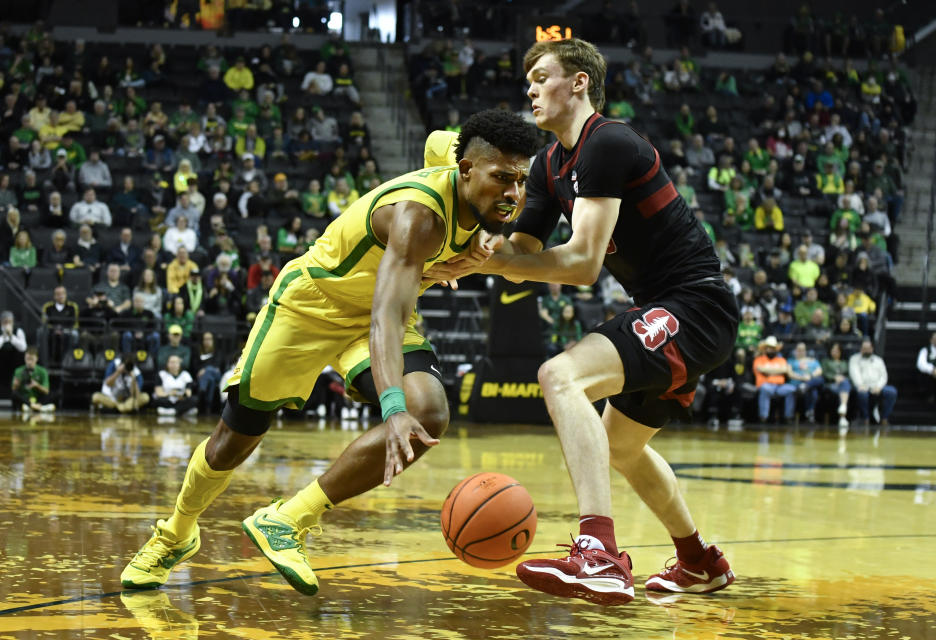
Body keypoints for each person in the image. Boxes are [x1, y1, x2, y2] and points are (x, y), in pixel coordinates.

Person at [120, 109, 541, 595]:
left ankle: (287, 519)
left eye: (520, 180)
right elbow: (386, 315)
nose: (513, 192)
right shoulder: (420, 217)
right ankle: (174, 533)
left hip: (372, 318)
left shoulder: (464, 156)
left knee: (429, 413)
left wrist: (479, 245)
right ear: (466, 171)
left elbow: (437, 140)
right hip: (313, 305)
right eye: (502, 179)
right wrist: (392, 408)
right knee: (235, 438)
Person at [426, 39, 738, 604]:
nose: (530, 88)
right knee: (620, 448)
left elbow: (583, 263)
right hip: (666, 311)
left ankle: (597, 552)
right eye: (528, 79)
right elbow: (521, 255)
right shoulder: (547, 166)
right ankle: (699, 562)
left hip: (694, 305)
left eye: (541, 76)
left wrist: (499, 261)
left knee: (559, 376)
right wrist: (477, 254)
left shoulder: (609, 142)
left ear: (578, 83)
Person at [848, 339, 896, 426]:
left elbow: (884, 376)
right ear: (861, 349)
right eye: (864, 348)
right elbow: (854, 373)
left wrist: (879, 386)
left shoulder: (878, 360)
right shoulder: (854, 359)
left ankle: (884, 418)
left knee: (892, 392)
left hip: (877, 386)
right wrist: (860, 385)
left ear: (872, 349)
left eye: (868, 348)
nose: (866, 350)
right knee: (862, 394)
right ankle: (866, 418)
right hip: (861, 385)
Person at [753, 336, 796, 423]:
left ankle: (788, 417)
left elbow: (785, 370)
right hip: (765, 385)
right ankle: (763, 417)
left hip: (780, 386)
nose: (771, 350)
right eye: (769, 348)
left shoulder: (781, 359)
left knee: (792, 389)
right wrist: (778, 371)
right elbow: (760, 369)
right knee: (766, 389)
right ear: (765, 349)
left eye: (773, 348)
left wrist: (769, 372)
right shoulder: (759, 359)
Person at [12, 347, 57, 413]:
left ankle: (30, 407)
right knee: (14, 394)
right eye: (27, 359)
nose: (29, 362)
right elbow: (14, 389)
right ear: (24, 358)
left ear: (37, 359)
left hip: (38, 398)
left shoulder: (42, 371)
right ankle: (40, 408)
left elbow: (46, 391)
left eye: (32, 359)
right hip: (25, 398)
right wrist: (16, 385)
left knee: (55, 393)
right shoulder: (19, 371)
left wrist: (37, 385)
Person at [787, 342, 823, 422]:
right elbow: (789, 374)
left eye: (803, 350)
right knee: (814, 391)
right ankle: (809, 412)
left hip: (810, 381)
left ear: (806, 351)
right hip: (797, 383)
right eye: (799, 350)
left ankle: (806, 386)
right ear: (795, 350)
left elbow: (819, 371)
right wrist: (802, 378)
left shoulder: (812, 360)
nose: (801, 352)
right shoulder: (791, 361)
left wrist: (810, 376)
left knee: (820, 379)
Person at [822, 342, 852, 432]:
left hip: (843, 384)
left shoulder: (844, 362)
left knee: (844, 385)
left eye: (837, 351)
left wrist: (842, 378)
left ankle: (843, 409)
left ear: (840, 352)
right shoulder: (826, 361)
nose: (835, 352)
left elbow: (849, 375)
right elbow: (824, 373)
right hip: (830, 384)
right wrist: (834, 377)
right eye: (833, 350)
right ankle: (843, 413)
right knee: (844, 390)